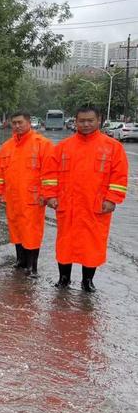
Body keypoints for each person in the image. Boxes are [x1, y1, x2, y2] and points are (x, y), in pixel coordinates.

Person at [45, 105, 129, 292]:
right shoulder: (63, 147)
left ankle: (87, 281)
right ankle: (64, 279)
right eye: (81, 121)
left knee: (93, 245)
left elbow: (119, 177)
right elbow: (50, 174)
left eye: (90, 120)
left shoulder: (113, 147)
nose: (86, 124)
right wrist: (50, 196)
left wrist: (112, 199)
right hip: (68, 205)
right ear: (75, 122)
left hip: (96, 206)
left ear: (99, 121)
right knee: (65, 243)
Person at [0, 111, 55, 276]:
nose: (17, 126)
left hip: (33, 199)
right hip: (13, 198)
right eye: (14, 123)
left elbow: (50, 174)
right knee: (16, 230)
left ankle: (32, 267)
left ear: (29, 122)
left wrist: (47, 195)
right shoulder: (7, 146)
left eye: (20, 122)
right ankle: (20, 261)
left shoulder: (42, 144)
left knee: (32, 232)